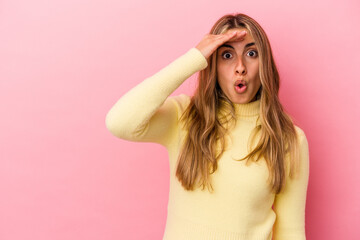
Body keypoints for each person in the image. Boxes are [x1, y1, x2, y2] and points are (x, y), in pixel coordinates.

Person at [105, 13, 309, 240]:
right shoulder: (184, 117)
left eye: (251, 54)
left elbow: (291, 231)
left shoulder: (289, 139)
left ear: (265, 64)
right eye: (227, 55)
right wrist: (194, 58)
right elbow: (119, 122)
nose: (240, 67)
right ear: (212, 64)